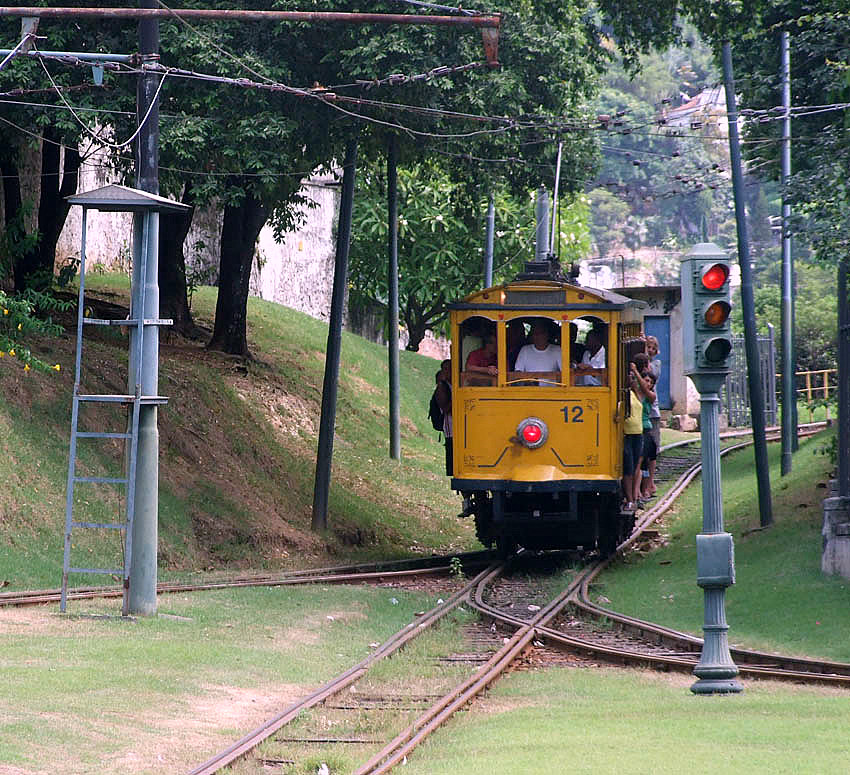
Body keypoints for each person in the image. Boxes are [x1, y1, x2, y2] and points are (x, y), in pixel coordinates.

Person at [642, 335, 662, 497]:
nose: (650, 350)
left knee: (652, 449)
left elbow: (650, 375)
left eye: (653, 348)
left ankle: (650, 483)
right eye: (648, 347)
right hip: (641, 413)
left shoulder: (656, 364)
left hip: (652, 412)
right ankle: (645, 484)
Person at [514, 319, 561, 384]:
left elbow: (565, 372)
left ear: (547, 334)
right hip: (530, 389)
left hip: (552, 389)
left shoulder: (557, 350)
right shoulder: (525, 350)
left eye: (541, 333)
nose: (538, 336)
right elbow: (518, 372)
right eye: (535, 333)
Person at [434, 359, 453, 476]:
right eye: (446, 369)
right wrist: (457, 396)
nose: (448, 371)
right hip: (451, 429)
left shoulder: (455, 384)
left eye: (451, 368)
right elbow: (445, 408)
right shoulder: (442, 387)